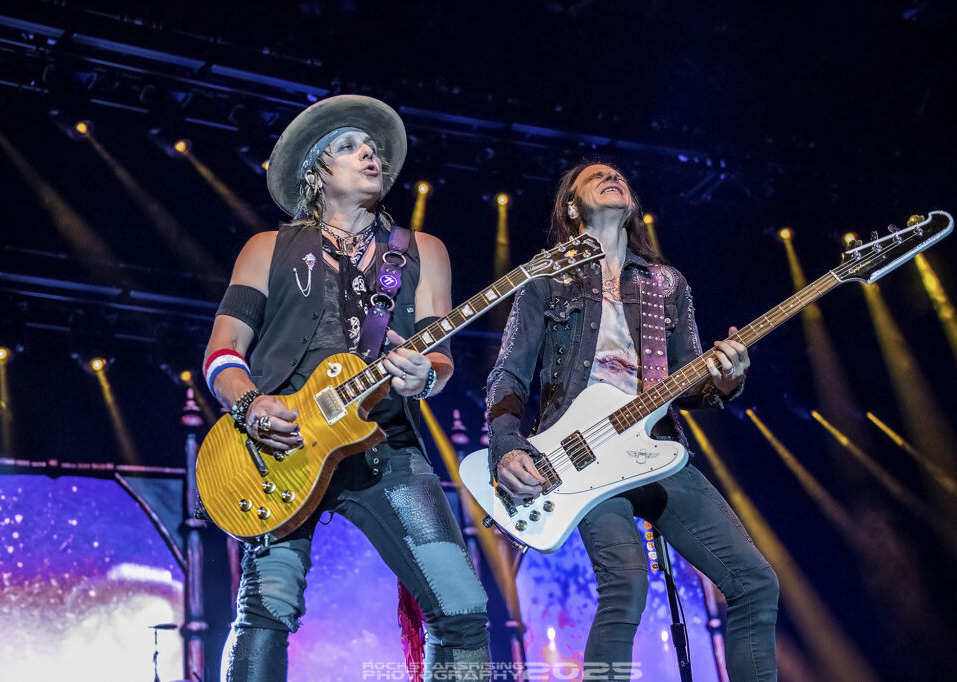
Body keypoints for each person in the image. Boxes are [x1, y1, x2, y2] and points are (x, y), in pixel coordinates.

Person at [203, 95, 489, 681]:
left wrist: (426, 375)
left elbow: (440, 358)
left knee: (462, 607)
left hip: (386, 445)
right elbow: (223, 352)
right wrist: (252, 405)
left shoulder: (423, 251)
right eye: (349, 147)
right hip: (281, 446)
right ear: (316, 172)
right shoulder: (265, 249)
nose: (369, 155)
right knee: (266, 610)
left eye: (373, 149)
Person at [485, 161, 780, 681]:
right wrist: (507, 444)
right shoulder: (547, 278)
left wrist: (727, 378)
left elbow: (692, 381)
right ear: (571, 206)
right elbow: (509, 371)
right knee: (626, 585)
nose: (612, 177)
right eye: (595, 176)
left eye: (619, 175)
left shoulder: (667, 283)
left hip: (656, 447)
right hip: (583, 453)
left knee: (756, 583)